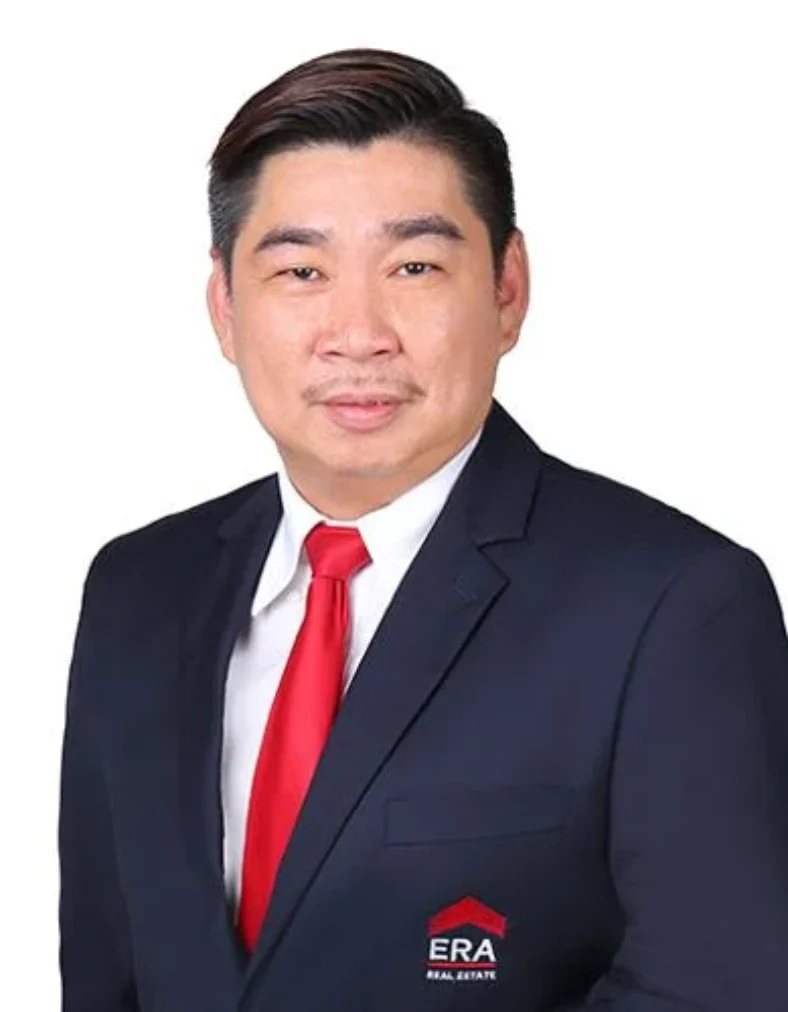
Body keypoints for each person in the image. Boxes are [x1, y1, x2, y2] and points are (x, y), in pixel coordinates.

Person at [58, 47, 788, 1012]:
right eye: (302, 270)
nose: (359, 333)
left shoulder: (676, 606)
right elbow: (106, 977)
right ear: (225, 308)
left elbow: (717, 990)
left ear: (506, 289)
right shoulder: (138, 592)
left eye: (415, 266)